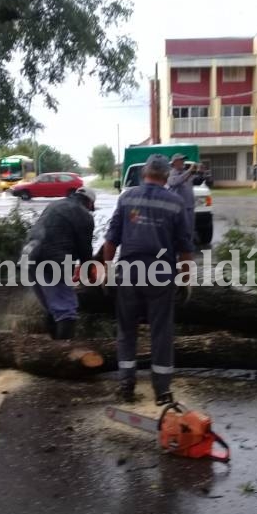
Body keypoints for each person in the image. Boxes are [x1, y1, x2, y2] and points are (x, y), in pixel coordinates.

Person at [103, 154, 195, 405]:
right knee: (161, 332)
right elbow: (185, 247)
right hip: (161, 275)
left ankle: (126, 384)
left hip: (129, 273)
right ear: (166, 175)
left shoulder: (126, 198)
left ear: (145, 173)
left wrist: (107, 272)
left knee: (126, 330)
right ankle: (162, 391)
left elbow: (111, 240)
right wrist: (185, 280)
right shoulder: (175, 203)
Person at [23, 187, 96, 339]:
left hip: (28, 258)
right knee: (66, 312)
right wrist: (89, 275)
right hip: (53, 262)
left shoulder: (54, 205)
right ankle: (62, 355)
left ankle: (51, 350)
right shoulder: (84, 215)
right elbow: (85, 249)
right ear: (89, 203)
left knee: (52, 308)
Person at [166, 153, 196, 239]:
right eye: (181, 160)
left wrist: (198, 172)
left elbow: (194, 181)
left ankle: (189, 248)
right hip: (179, 209)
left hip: (190, 207)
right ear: (175, 162)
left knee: (190, 231)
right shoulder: (171, 174)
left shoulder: (186, 173)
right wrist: (190, 171)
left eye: (183, 160)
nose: (183, 162)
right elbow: (175, 182)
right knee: (180, 232)